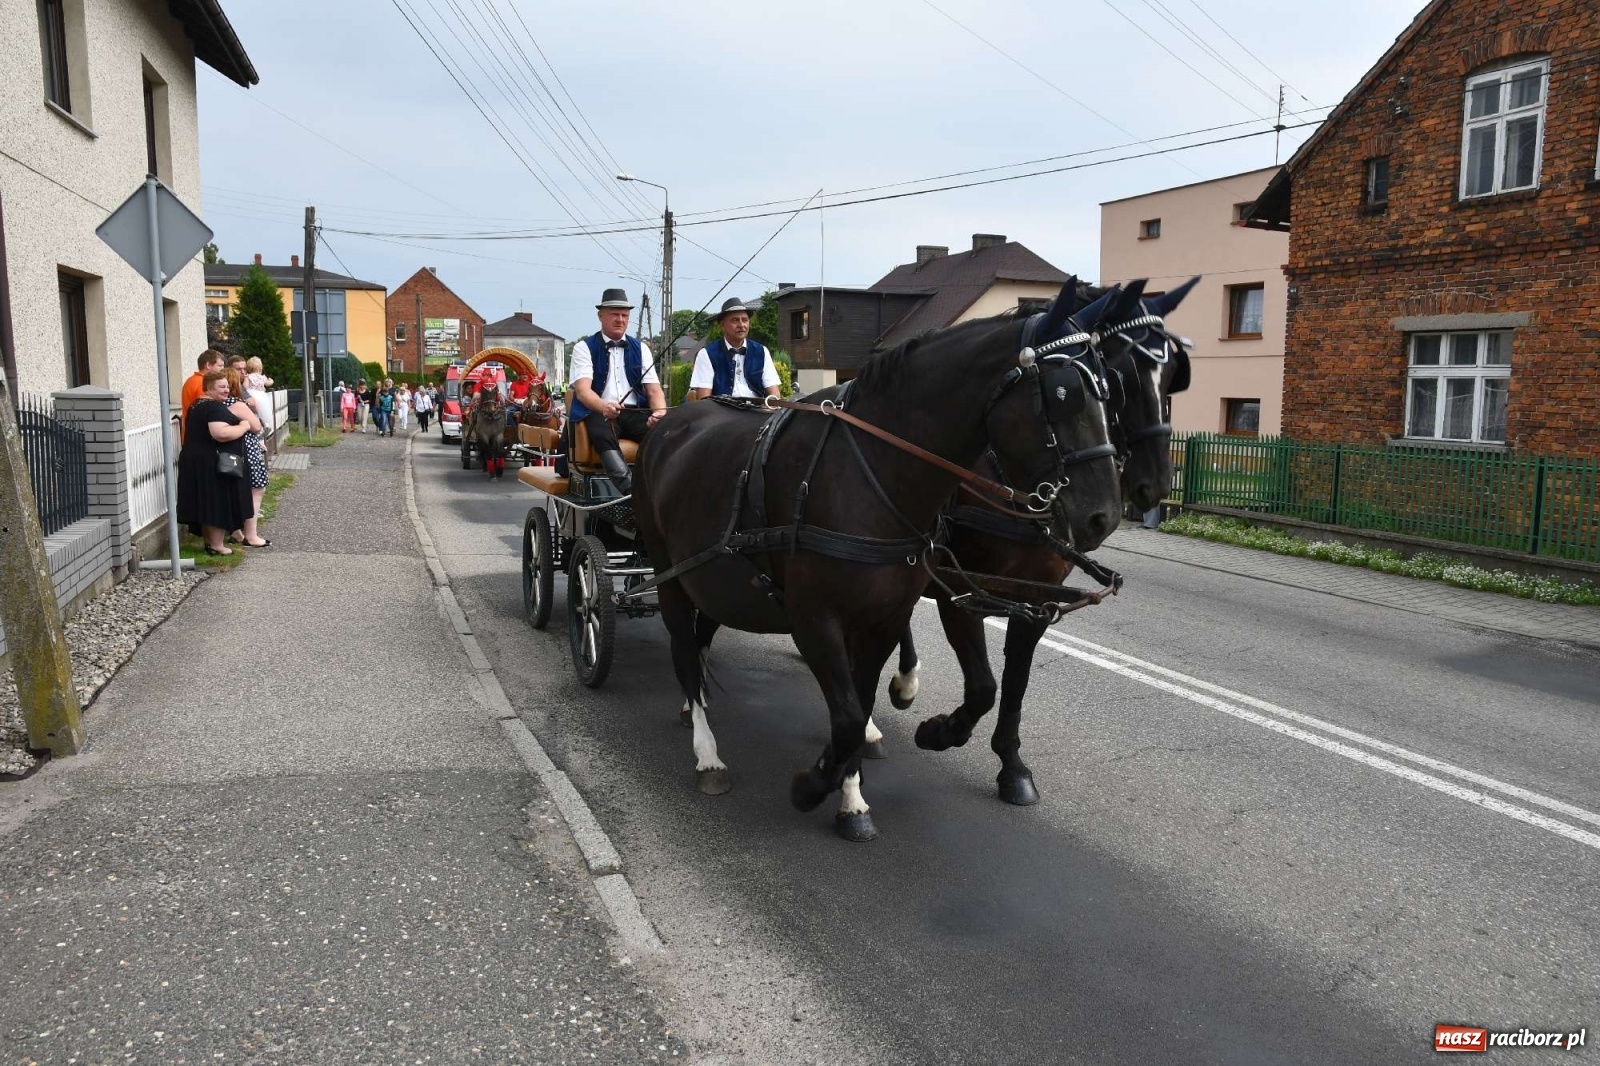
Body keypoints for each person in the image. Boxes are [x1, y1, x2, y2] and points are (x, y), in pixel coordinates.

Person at [567, 288, 666, 495]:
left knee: (665, 431)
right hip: (598, 412)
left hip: (634, 413)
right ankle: (630, 491)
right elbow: (583, 392)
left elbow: (654, 390)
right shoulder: (583, 348)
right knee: (602, 431)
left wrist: (659, 414)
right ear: (600, 316)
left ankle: (666, 486)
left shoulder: (642, 348)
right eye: (614, 314)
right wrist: (605, 407)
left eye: (624, 315)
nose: (620, 319)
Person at [176, 370, 254, 555]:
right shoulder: (212, 407)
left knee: (205, 503)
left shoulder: (197, 405)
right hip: (211, 464)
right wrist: (243, 426)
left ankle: (210, 543)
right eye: (221, 387)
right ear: (208, 388)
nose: (226, 390)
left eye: (227, 386)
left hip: (196, 460)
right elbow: (221, 433)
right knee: (216, 503)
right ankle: (218, 545)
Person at [689, 297, 782, 402]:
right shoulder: (707, 354)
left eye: (745, 320)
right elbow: (704, 399)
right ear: (723, 325)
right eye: (735, 320)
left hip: (757, 411)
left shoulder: (762, 351)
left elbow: (774, 392)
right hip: (722, 412)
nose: (741, 325)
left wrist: (772, 406)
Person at [224, 367, 270, 547]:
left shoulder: (217, 404)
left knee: (234, 492)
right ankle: (251, 535)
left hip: (229, 452)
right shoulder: (237, 404)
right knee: (256, 489)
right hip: (247, 451)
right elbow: (256, 426)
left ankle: (235, 531)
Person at [180, 350, 225, 442]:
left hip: (191, 434)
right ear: (208, 365)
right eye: (220, 366)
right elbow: (207, 410)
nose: (222, 369)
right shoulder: (203, 383)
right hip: (200, 436)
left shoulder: (191, 380)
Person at [243, 357, 274, 438]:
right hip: (262, 396)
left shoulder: (248, 376)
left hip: (252, 395)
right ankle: (265, 424)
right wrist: (271, 381)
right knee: (263, 412)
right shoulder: (262, 377)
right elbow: (268, 383)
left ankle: (258, 429)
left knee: (255, 413)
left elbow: (245, 386)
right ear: (260, 367)